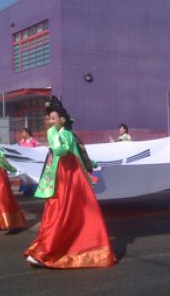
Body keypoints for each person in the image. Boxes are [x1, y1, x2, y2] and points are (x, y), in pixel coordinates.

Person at [25, 96, 116, 269]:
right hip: (62, 175)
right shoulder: (56, 133)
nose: (50, 121)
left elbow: (66, 151)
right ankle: (49, 248)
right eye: (49, 118)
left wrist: (56, 141)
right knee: (58, 211)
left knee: (65, 212)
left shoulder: (65, 134)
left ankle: (50, 251)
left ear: (62, 120)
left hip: (71, 177)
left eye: (53, 118)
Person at [18, 127, 38, 196]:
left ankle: (33, 190)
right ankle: (25, 190)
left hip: (31, 161)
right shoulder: (21, 141)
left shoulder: (34, 141)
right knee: (24, 175)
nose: (22, 134)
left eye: (23, 132)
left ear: (27, 133)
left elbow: (37, 150)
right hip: (24, 161)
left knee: (32, 175)